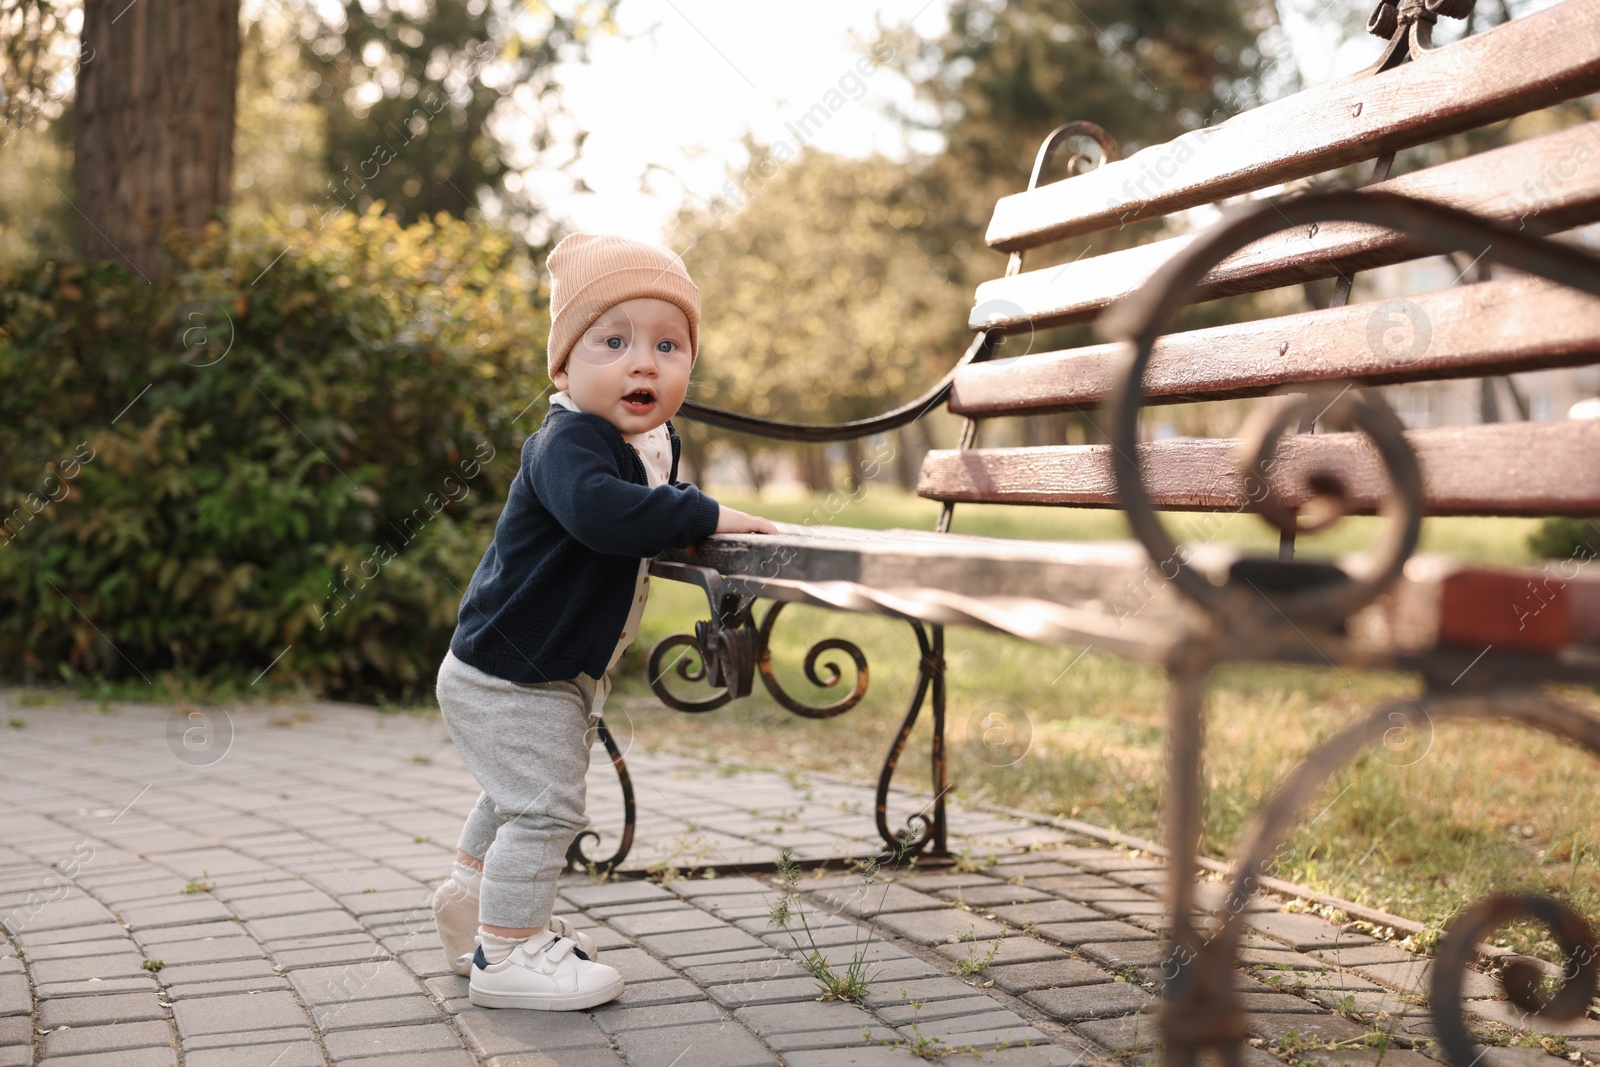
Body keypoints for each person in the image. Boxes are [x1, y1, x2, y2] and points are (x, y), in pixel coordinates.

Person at [429, 234, 777, 1010]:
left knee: (517, 794)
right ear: (563, 366)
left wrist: (684, 516)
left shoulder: (643, 442)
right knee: (547, 806)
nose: (642, 362)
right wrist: (705, 511)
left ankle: (471, 909)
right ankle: (510, 955)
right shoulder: (569, 441)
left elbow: (638, 514)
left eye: (667, 343)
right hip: (514, 674)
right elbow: (601, 514)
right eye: (613, 341)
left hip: (531, 671)